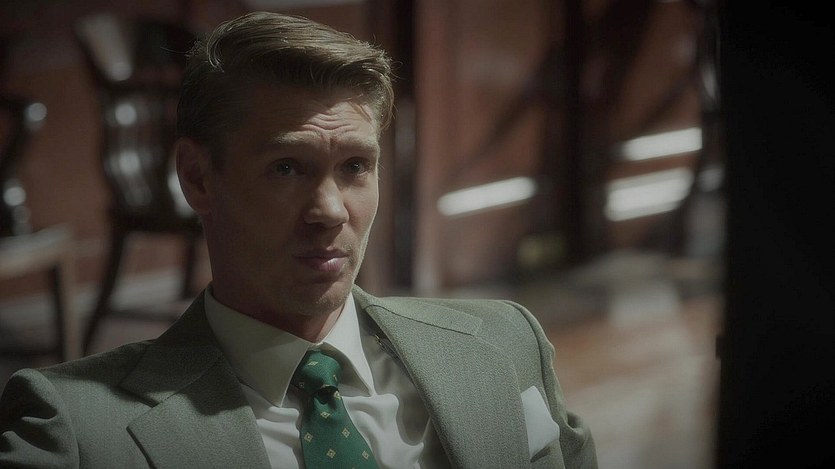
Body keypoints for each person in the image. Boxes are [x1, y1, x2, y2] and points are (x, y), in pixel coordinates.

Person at [0, 11, 596, 469]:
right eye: (286, 168)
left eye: (356, 167)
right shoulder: (74, 429)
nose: (329, 211)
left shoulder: (506, 343)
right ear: (198, 179)